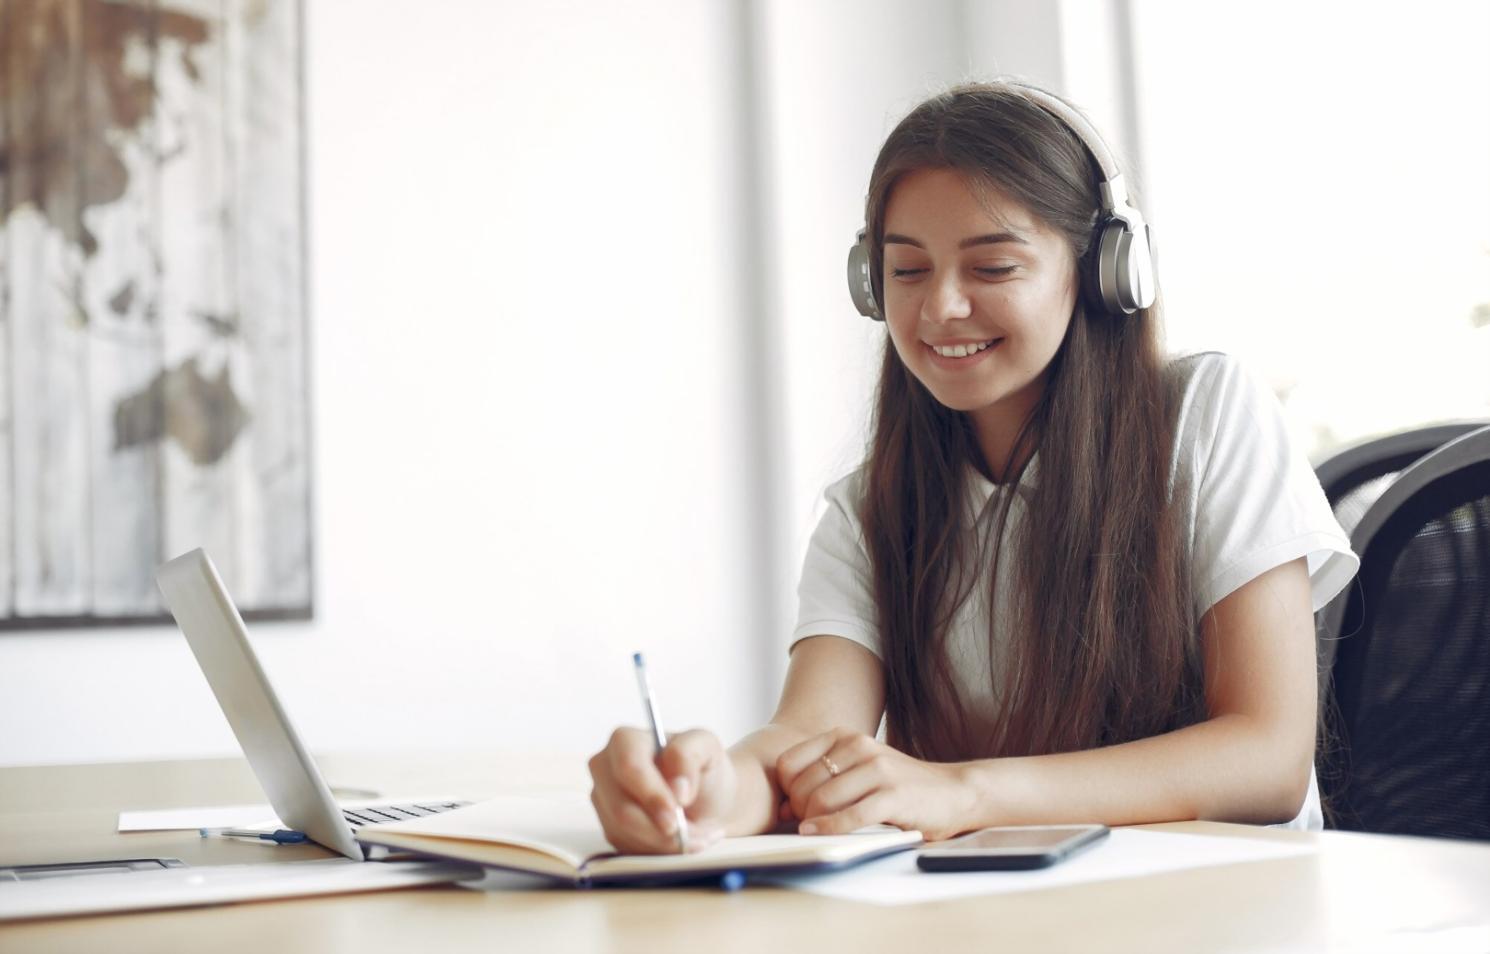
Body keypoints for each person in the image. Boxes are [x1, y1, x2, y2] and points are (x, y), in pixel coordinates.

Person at [587, 79, 1359, 853]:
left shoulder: (1205, 415)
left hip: (1229, 910)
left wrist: (964, 792)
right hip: (1008, 914)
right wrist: (709, 791)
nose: (938, 309)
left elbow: (1268, 758)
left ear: (1103, 274)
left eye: (992, 268)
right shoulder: (873, 509)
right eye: (908, 271)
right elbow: (807, 738)